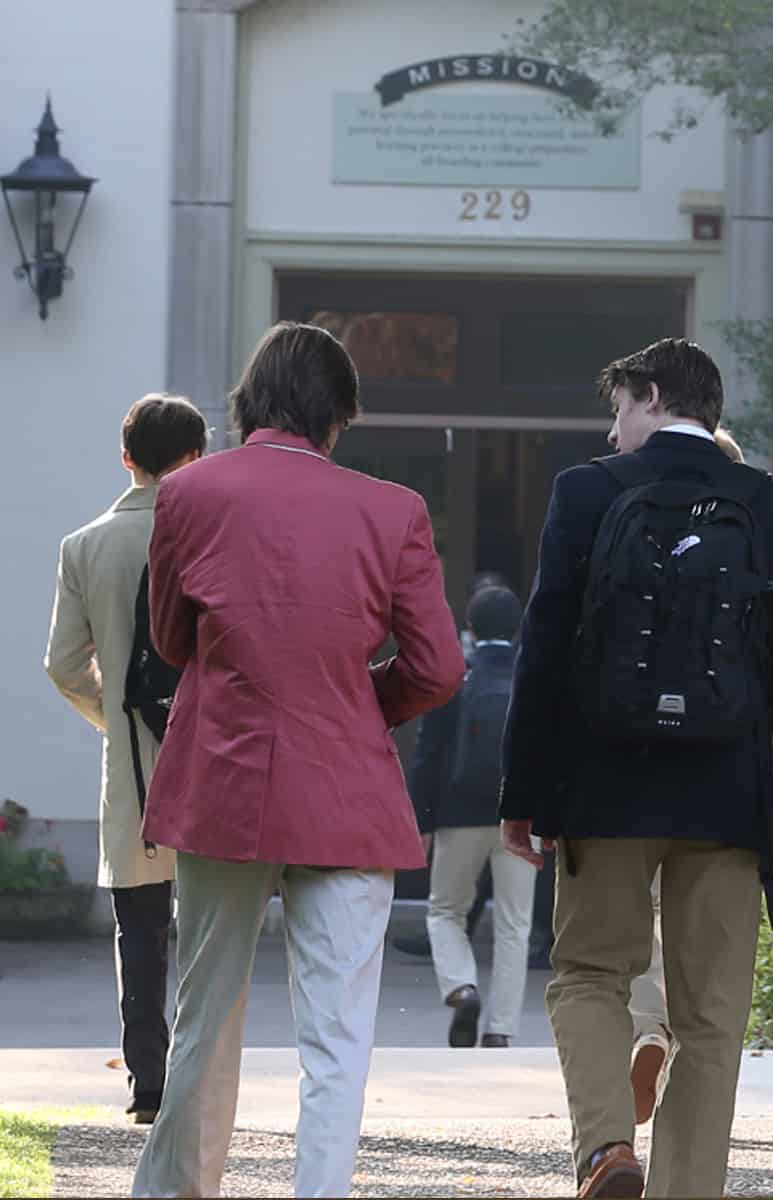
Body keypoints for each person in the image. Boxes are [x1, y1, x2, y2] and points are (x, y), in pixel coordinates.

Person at [130, 322, 464, 1198]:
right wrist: (360, 706)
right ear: (337, 417)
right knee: (339, 1037)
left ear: (247, 404)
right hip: (346, 792)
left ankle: (174, 1192)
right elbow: (438, 668)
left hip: (223, 783)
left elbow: (171, 640)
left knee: (203, 1018)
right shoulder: (393, 509)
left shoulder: (189, 494)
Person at [501, 338, 773, 1199]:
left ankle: (607, 1148)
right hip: (730, 799)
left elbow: (544, 648)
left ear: (650, 397)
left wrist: (524, 794)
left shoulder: (585, 493)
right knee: (712, 1020)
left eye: (618, 411)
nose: (614, 434)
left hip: (603, 788)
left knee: (588, 975)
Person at [45, 393, 208, 1124]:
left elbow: (63, 664)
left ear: (127, 458)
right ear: (197, 456)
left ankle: (149, 1082)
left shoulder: (85, 545)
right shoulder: (211, 533)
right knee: (212, 924)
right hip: (213, 757)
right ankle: (204, 1073)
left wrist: (114, 719)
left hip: (133, 770)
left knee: (139, 930)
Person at [628, 422, 746, 1127]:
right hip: (723, 776)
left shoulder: (635, 541)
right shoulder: (749, 550)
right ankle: (680, 1048)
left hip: (637, 766)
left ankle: (647, 1033)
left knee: (640, 918)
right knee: (705, 943)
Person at [412, 584, 534, 1047]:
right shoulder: (531, 675)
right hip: (521, 816)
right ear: (518, 628)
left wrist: (422, 819)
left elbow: (427, 753)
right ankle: (501, 1031)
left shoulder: (455, 677)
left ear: (469, 627)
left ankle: (462, 988)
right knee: (514, 923)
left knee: (445, 910)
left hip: (458, 812)